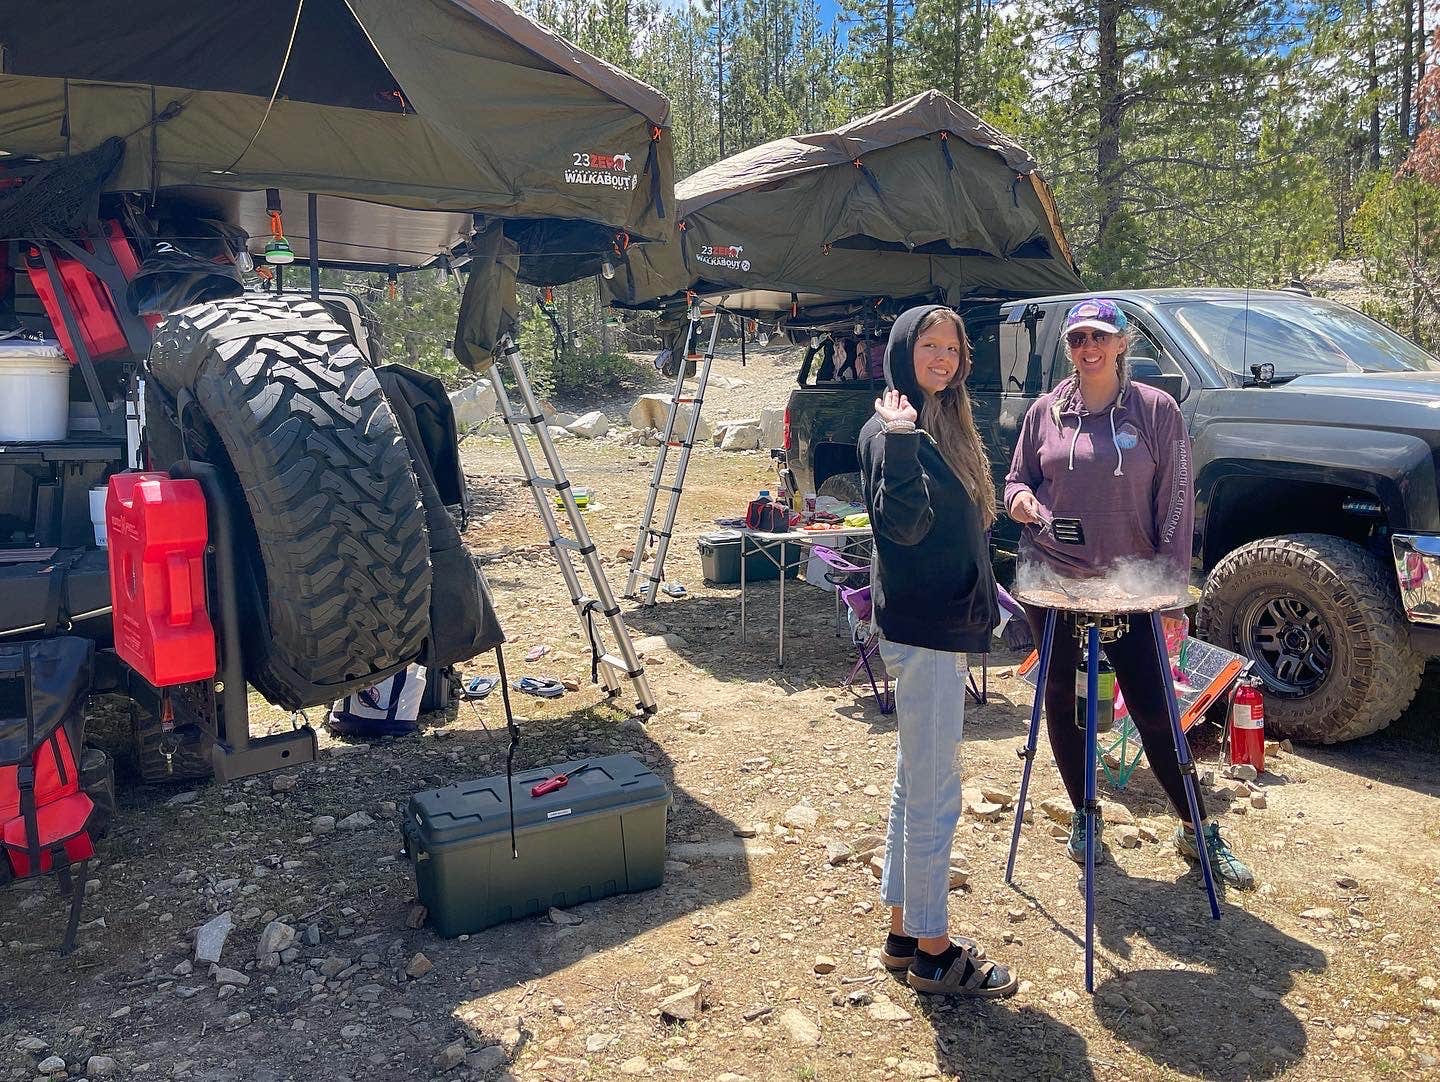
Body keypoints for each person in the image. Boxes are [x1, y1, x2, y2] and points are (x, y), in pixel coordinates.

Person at [1004, 298, 1254, 888]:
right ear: (1068, 348)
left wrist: (1166, 588)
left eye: (1100, 336)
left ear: (1121, 343)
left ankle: (1196, 828)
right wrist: (1021, 501)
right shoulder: (1045, 412)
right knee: (1062, 699)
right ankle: (1084, 815)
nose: (1088, 347)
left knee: (1153, 707)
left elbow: (1177, 498)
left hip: (1130, 587)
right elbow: (1016, 480)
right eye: (1077, 339)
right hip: (1055, 582)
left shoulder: (1155, 410)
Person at [859, 304, 1018, 997]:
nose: (943, 359)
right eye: (930, 345)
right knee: (934, 794)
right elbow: (903, 526)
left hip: (937, 625)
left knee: (913, 782)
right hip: (925, 630)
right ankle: (934, 952)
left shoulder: (937, 423)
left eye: (952, 349)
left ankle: (903, 933)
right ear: (904, 350)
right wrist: (899, 440)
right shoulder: (889, 430)